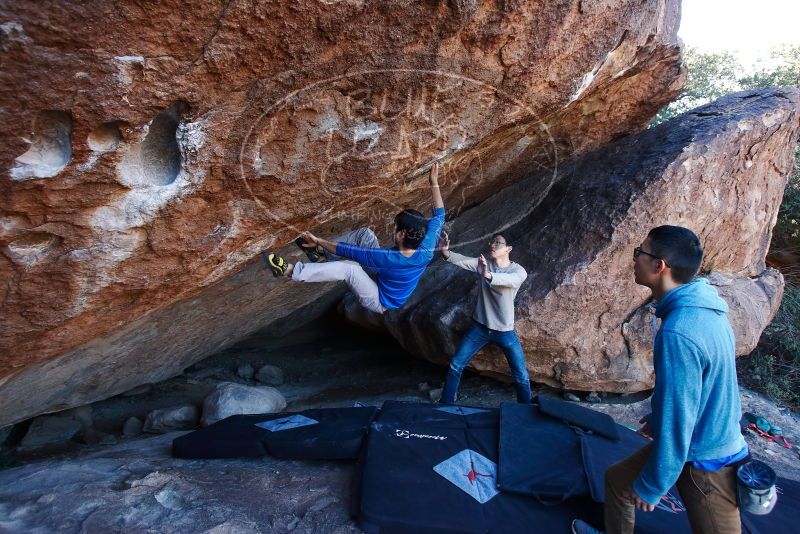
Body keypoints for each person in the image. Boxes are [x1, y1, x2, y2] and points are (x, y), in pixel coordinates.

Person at [572, 225, 748, 534]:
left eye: (640, 253)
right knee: (618, 481)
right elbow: (704, 387)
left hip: (705, 458)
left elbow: (679, 421)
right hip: (696, 439)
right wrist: (657, 419)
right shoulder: (707, 309)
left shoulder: (679, 331)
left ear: (659, 266)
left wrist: (653, 484)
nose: (634, 259)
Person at [265, 162, 445, 315]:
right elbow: (439, 216)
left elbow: (347, 251)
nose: (393, 228)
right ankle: (318, 252)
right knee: (364, 235)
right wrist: (433, 182)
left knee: (350, 269)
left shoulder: (386, 258)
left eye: (396, 226)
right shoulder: (426, 247)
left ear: (401, 234)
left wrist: (318, 239)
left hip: (380, 299)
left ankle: (289, 271)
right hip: (384, 275)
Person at [438, 230, 532, 404]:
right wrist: (445, 252)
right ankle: (446, 403)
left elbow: (509, 281)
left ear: (508, 249)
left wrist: (487, 275)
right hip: (479, 327)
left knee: (521, 375)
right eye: (491, 242)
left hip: (505, 331)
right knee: (455, 364)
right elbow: (462, 260)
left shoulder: (518, 271)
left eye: (497, 243)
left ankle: (526, 411)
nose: (492, 245)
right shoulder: (484, 263)